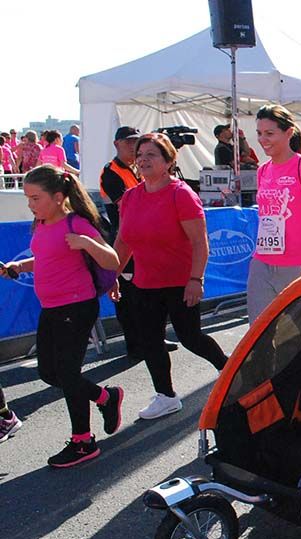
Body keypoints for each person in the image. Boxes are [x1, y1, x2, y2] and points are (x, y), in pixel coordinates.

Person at [1, 166, 123, 466]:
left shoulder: (76, 223)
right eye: (28, 198)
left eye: (35, 198)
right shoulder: (41, 223)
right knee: (49, 373)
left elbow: (113, 259)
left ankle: (83, 442)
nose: (30, 204)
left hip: (77, 307)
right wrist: (17, 268)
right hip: (52, 307)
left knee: (68, 375)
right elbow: (44, 258)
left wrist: (88, 243)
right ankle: (105, 398)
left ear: (58, 197)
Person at [114, 133, 229, 419]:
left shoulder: (181, 194)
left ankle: (228, 370)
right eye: (140, 155)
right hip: (144, 283)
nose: (143, 160)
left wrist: (195, 280)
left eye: (151, 155)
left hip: (180, 282)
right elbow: (123, 242)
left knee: (190, 337)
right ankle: (166, 396)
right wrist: (111, 275)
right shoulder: (129, 197)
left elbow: (200, 242)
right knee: (149, 341)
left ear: (168, 161)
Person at [248, 104, 301, 322]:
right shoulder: (263, 170)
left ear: (288, 133)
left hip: (299, 265)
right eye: (259, 133)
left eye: (269, 133)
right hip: (262, 264)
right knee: (258, 335)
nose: (263, 139)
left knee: (298, 339)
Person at [100, 126, 162, 361]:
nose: (132, 147)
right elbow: (127, 205)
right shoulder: (110, 172)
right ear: (117, 144)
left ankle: (153, 338)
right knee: (128, 295)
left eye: (136, 142)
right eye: (128, 142)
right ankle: (134, 344)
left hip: (145, 241)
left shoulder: (138, 169)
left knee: (148, 294)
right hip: (125, 241)